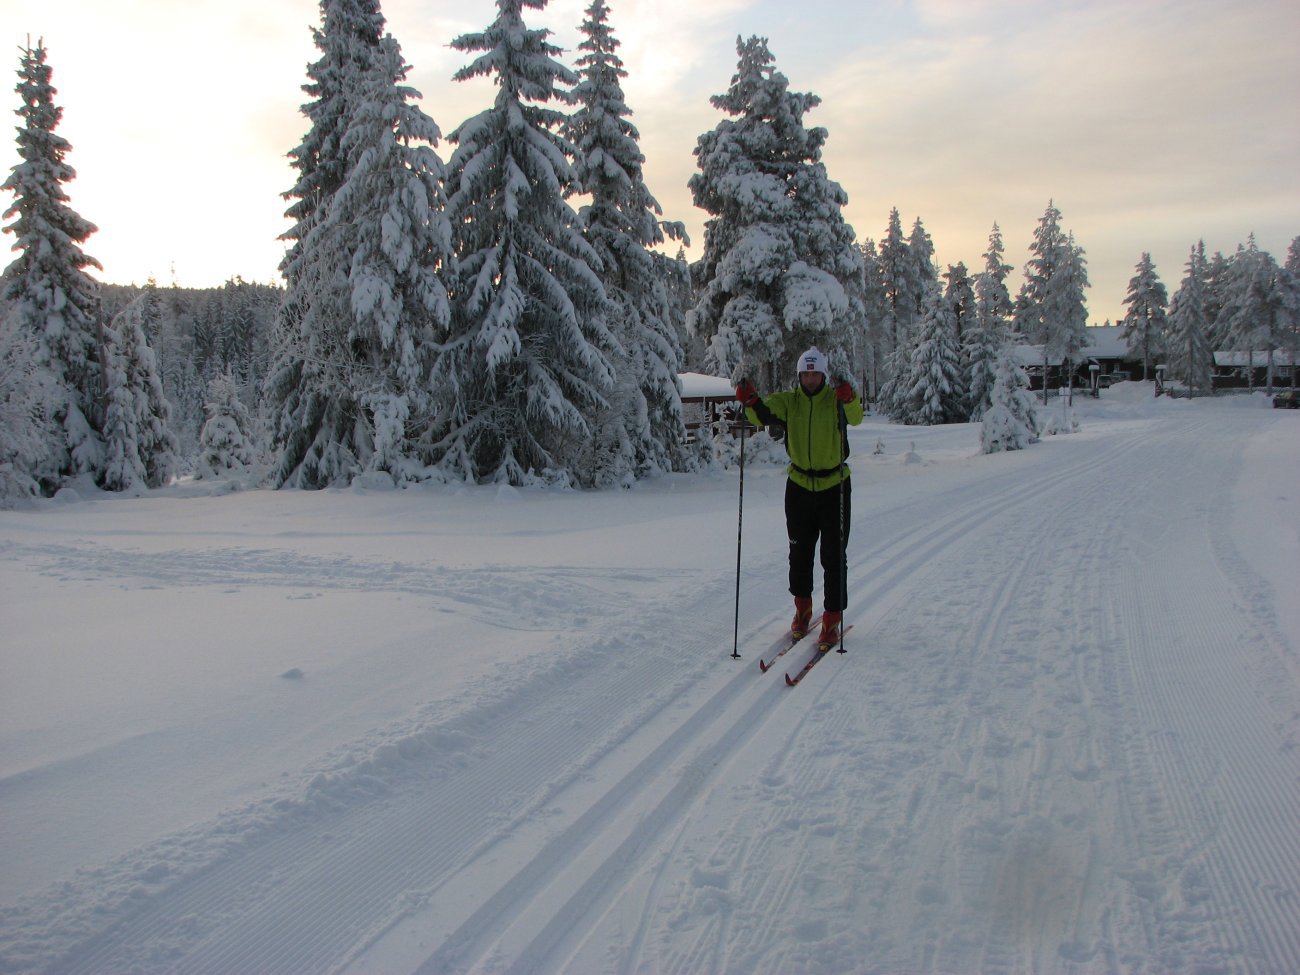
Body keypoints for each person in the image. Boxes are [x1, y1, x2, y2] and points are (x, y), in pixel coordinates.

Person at [736, 346, 863, 649]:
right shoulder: (789, 401)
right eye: (805, 373)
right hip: (799, 487)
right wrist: (750, 399)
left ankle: (832, 618)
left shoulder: (835, 399)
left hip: (835, 487)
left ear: (823, 374)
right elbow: (762, 412)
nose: (809, 378)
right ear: (799, 375)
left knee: (833, 556)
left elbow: (856, 417)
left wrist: (849, 397)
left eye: (814, 372)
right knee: (799, 553)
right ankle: (803, 609)